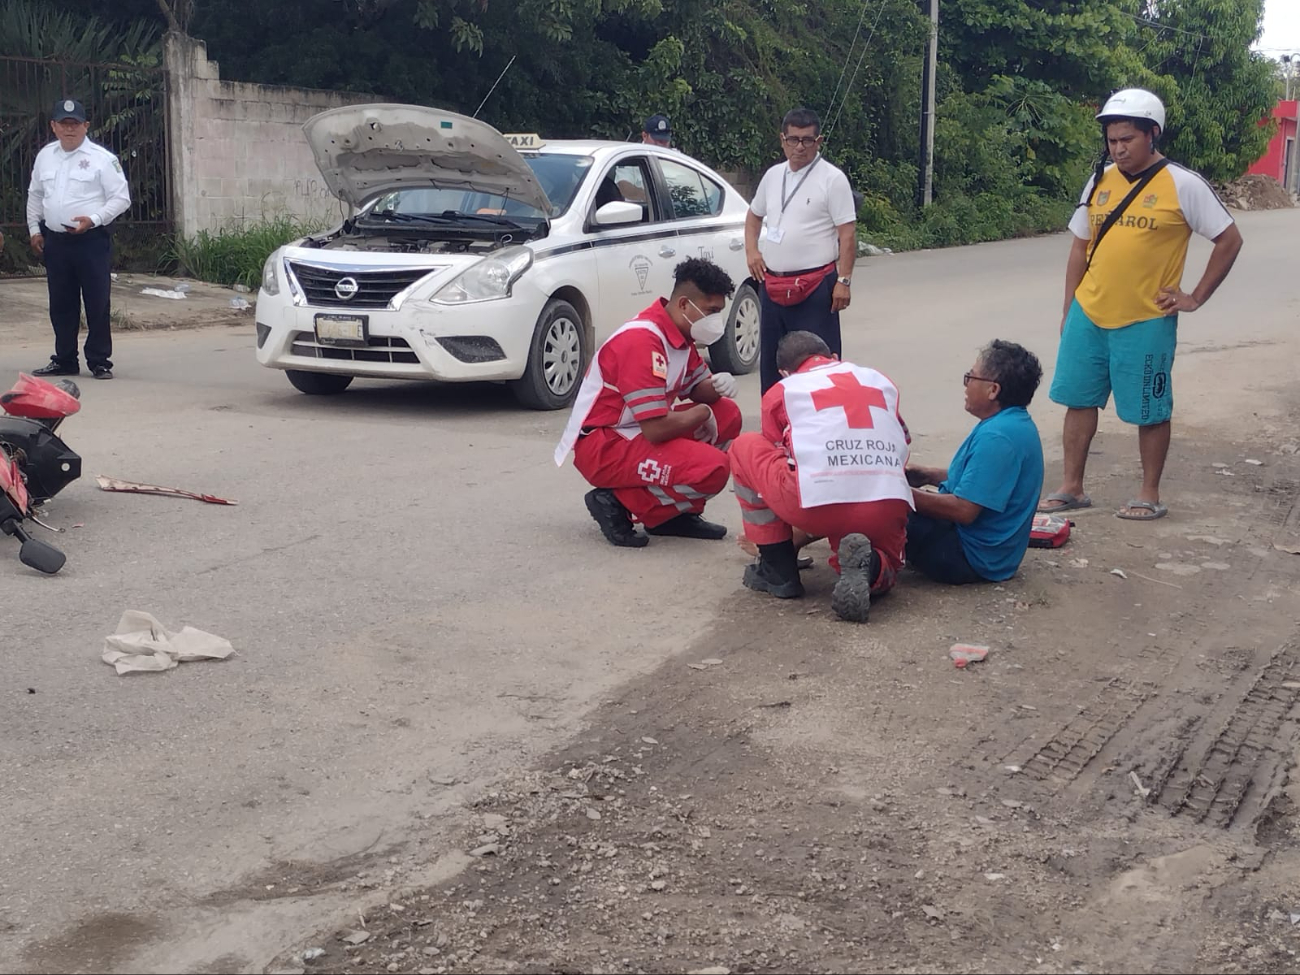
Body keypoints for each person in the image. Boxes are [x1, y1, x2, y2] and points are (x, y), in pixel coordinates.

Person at [1040, 88, 1243, 521]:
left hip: (1147, 318)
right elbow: (1081, 247)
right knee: (1078, 400)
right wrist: (1067, 309)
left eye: (1127, 139)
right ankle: (1071, 486)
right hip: (1089, 314)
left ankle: (1148, 493)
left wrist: (1195, 297)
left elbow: (1229, 239)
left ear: (1153, 134)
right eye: (1112, 141)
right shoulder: (1099, 180)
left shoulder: (1183, 184)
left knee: (1150, 409)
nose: (1118, 149)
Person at [555, 258, 743, 548]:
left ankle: (674, 515)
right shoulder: (642, 342)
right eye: (711, 311)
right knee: (714, 469)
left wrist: (718, 386)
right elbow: (656, 429)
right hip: (604, 445)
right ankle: (617, 501)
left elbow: (697, 388)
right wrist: (703, 412)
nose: (715, 320)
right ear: (684, 305)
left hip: (632, 432)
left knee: (727, 414)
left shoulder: (679, 334)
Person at [730, 331, 913, 623]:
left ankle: (778, 570)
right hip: (885, 500)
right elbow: (902, 440)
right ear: (834, 358)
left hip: (817, 503)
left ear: (783, 372)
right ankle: (871, 569)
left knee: (745, 447)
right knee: (889, 561)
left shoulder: (783, 391)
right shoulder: (879, 380)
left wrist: (783, 535)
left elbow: (782, 457)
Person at [906, 340, 1044, 584]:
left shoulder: (998, 437)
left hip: (969, 558)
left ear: (993, 390)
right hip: (991, 555)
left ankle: (870, 567)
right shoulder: (1012, 422)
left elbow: (964, 510)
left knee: (874, 503)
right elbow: (985, 482)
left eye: (971, 377)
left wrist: (897, 493)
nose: (966, 384)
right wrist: (928, 475)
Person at [745, 107, 857, 395]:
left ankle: (823, 427)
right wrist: (752, 251)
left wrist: (843, 281)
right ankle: (774, 430)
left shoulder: (832, 179)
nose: (799, 147)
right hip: (772, 285)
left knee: (818, 366)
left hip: (816, 286)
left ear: (818, 141)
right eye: (793, 139)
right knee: (772, 365)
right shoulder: (772, 176)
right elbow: (754, 216)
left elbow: (847, 235)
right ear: (782, 140)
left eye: (807, 140)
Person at [26, 99, 131, 381]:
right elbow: (35, 194)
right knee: (61, 303)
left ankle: (99, 360)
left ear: (86, 126)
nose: (69, 130)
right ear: (54, 126)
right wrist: (34, 229)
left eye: (75, 124)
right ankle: (64, 359)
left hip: (91, 241)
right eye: (63, 124)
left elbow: (121, 198)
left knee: (97, 301)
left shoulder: (102, 159)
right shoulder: (45, 156)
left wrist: (94, 219)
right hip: (56, 242)